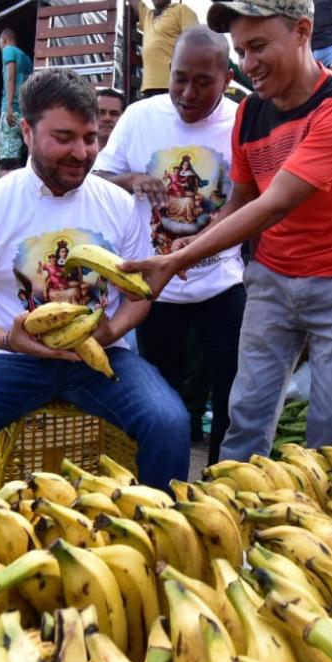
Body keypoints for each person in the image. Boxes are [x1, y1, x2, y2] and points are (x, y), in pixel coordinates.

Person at [125, 0, 332, 459]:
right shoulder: (250, 114)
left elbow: (276, 202)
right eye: (242, 51)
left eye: (259, 46)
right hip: (272, 279)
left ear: (303, 32)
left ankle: (321, 529)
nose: (248, 64)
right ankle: (232, 517)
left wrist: (175, 263)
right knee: (245, 416)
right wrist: (191, 241)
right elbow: (240, 203)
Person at [0, 68, 190, 492]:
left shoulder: (118, 204)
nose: (82, 152)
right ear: (26, 130)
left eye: (90, 137)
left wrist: (113, 328)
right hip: (10, 360)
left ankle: (158, 536)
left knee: (170, 422)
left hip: (103, 359)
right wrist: (7, 339)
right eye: (63, 138)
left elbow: (140, 294)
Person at [95, 26, 245, 465]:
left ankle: (222, 481)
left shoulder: (241, 122)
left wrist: (207, 234)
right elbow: (99, 177)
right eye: (180, 77)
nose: (188, 91)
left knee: (232, 392)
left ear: (227, 77)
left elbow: (248, 198)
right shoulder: (141, 117)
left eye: (203, 81)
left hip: (221, 282)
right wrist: (131, 179)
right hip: (154, 287)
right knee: (160, 396)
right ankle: (163, 483)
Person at [125, 0, 199, 97]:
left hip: (173, 88)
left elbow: (195, 44)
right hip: (148, 89)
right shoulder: (146, 15)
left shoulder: (182, 11)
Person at [0, 29, 33, 164]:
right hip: (24, 112)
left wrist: (10, 105)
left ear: (3, 40)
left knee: (9, 160)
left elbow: (10, 77)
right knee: (24, 156)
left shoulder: (8, 50)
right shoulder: (26, 58)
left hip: (11, 111)